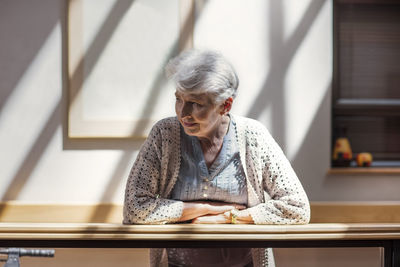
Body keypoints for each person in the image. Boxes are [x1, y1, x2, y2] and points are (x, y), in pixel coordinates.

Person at [123, 49, 310, 267]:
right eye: (178, 99)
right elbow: (134, 209)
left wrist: (228, 217)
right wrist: (205, 209)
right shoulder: (165, 134)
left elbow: (297, 207)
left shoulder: (253, 136)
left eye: (196, 103)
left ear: (226, 105)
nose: (183, 112)